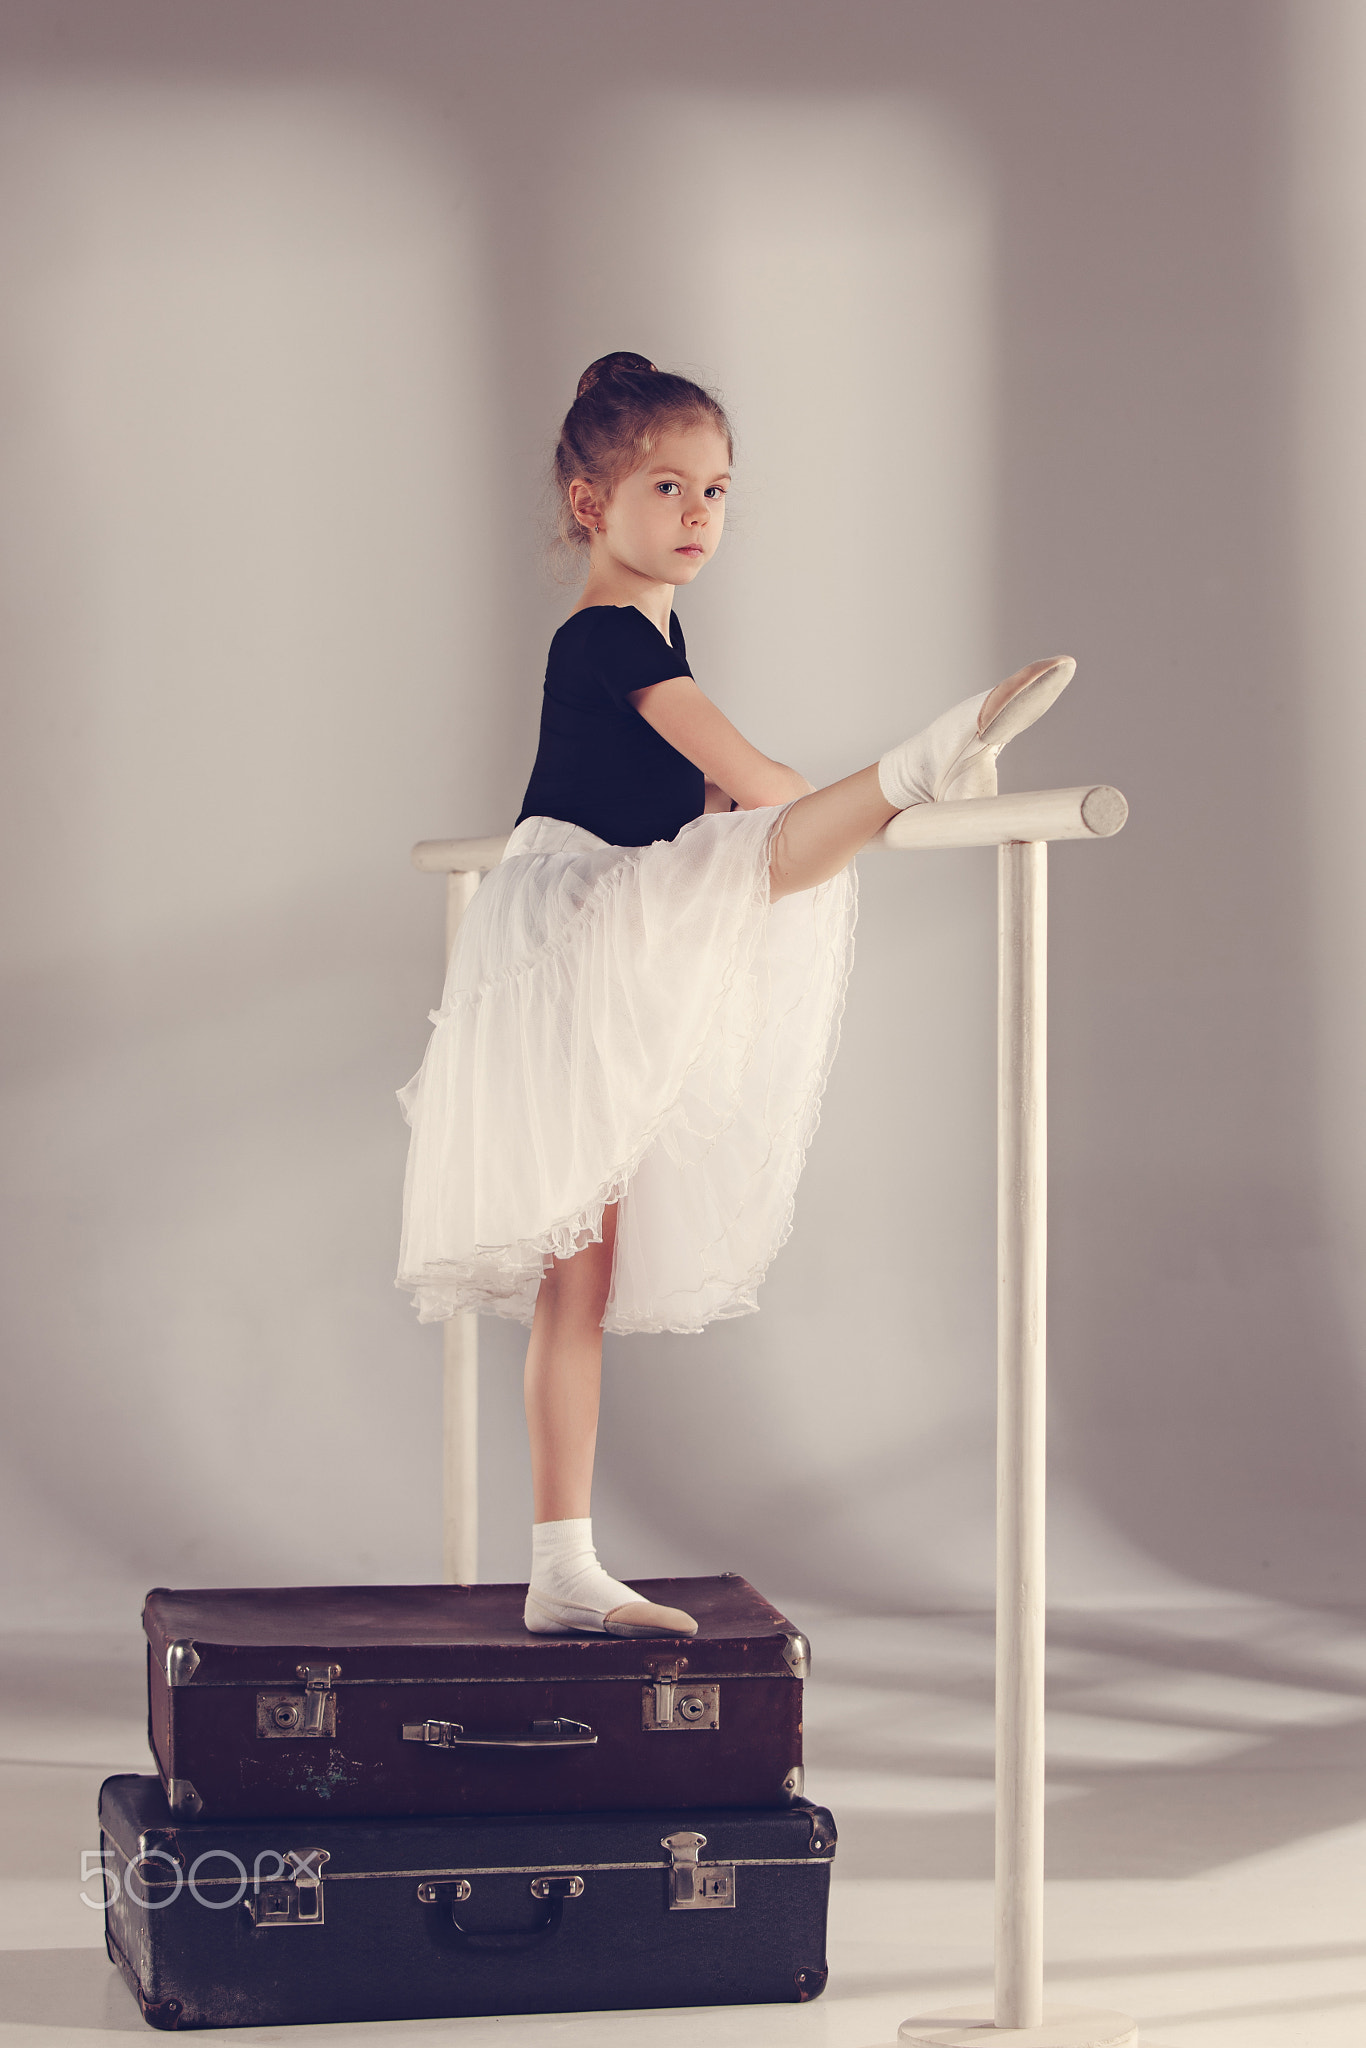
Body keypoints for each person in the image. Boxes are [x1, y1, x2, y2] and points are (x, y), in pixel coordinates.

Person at [396, 351, 1073, 1641]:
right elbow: (741, 770)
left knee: (578, 1282)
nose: (701, 513)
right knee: (763, 850)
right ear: (592, 505)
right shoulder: (604, 635)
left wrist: (760, 812)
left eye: (717, 488)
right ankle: (916, 769)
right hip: (578, 925)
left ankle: (560, 1561)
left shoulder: (654, 624)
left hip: (617, 903)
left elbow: (690, 791)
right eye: (669, 486)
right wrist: (814, 805)